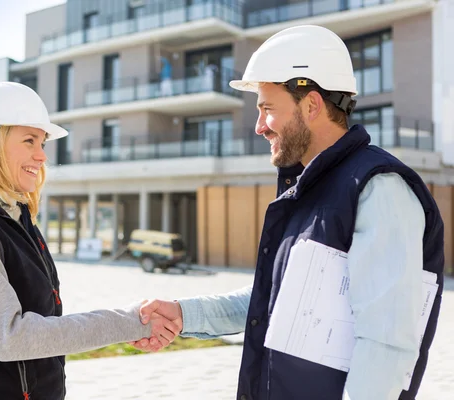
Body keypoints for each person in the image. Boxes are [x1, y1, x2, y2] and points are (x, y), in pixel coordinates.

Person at [132, 25, 444, 400]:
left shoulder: (378, 189)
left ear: (311, 105)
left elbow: (388, 344)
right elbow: (274, 300)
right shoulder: (307, 190)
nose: (260, 126)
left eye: (267, 109)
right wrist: (185, 314)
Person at [0, 82, 180, 400]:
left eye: (42, 142)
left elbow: (45, 325)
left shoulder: (17, 216)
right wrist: (129, 323)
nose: (42, 155)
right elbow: (11, 338)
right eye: (29, 140)